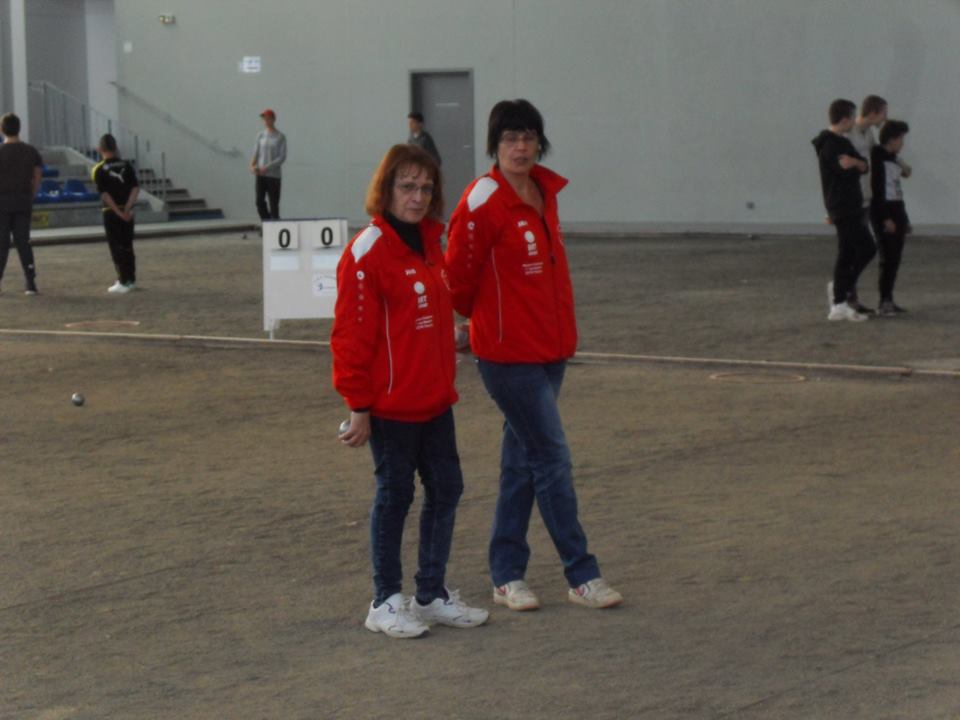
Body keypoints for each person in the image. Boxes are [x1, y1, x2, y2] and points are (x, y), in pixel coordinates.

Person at [445, 99, 623, 611]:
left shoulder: (545, 190)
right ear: (493, 145)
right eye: (509, 139)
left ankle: (506, 573)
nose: (519, 147)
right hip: (507, 354)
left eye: (527, 137)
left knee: (521, 461)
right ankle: (581, 572)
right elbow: (457, 279)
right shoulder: (482, 199)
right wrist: (477, 321)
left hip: (551, 348)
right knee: (551, 458)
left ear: (538, 142)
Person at [331, 143, 488, 639]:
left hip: (436, 399)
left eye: (425, 188)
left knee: (447, 489)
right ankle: (385, 601)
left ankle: (431, 593)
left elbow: (424, 316)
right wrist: (358, 407)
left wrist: (453, 336)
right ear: (386, 189)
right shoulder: (366, 253)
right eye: (407, 186)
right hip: (391, 407)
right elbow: (351, 337)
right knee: (395, 495)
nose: (417, 197)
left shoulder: (431, 243)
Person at [812, 99, 875, 322]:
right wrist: (856, 165)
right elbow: (845, 171)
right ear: (846, 119)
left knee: (848, 251)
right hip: (842, 206)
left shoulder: (843, 142)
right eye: (852, 116)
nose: (854, 121)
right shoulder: (830, 145)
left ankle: (840, 298)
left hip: (852, 204)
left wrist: (857, 164)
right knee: (866, 248)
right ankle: (840, 294)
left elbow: (863, 165)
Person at [843, 95, 888, 315]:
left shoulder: (868, 134)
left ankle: (850, 295)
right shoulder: (848, 135)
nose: (885, 119)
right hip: (852, 200)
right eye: (883, 114)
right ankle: (844, 292)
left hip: (865, 198)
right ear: (873, 113)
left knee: (857, 249)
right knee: (857, 248)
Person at [870, 120, 912, 316]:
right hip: (884, 210)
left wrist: (904, 218)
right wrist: (885, 218)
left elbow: (898, 187)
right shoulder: (878, 157)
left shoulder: (893, 158)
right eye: (901, 139)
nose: (902, 143)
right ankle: (884, 301)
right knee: (888, 256)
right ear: (892, 139)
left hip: (897, 209)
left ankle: (889, 298)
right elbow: (878, 190)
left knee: (895, 257)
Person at [0, 112, 42, 295]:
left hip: (2, 202)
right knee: (23, 242)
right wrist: (32, 193)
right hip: (23, 200)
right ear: (19, 128)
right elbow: (37, 174)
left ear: (2, 130)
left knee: (1, 243)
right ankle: (30, 282)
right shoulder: (30, 151)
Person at [92, 133, 140, 293]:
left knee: (116, 246)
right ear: (116, 147)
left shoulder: (98, 169)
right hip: (128, 211)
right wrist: (127, 208)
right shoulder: (126, 166)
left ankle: (123, 280)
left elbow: (105, 194)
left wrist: (118, 212)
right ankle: (131, 279)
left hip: (111, 212)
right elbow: (135, 188)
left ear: (100, 149)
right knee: (128, 245)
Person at [249, 109, 286, 221]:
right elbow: (256, 152)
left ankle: (275, 224)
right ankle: (267, 223)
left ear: (273, 119)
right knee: (259, 201)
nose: (265, 121)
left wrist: (268, 167)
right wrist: (252, 165)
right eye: (264, 119)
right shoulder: (260, 135)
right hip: (261, 174)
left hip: (273, 176)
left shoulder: (280, 137)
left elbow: (281, 157)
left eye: (268, 118)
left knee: (273, 203)